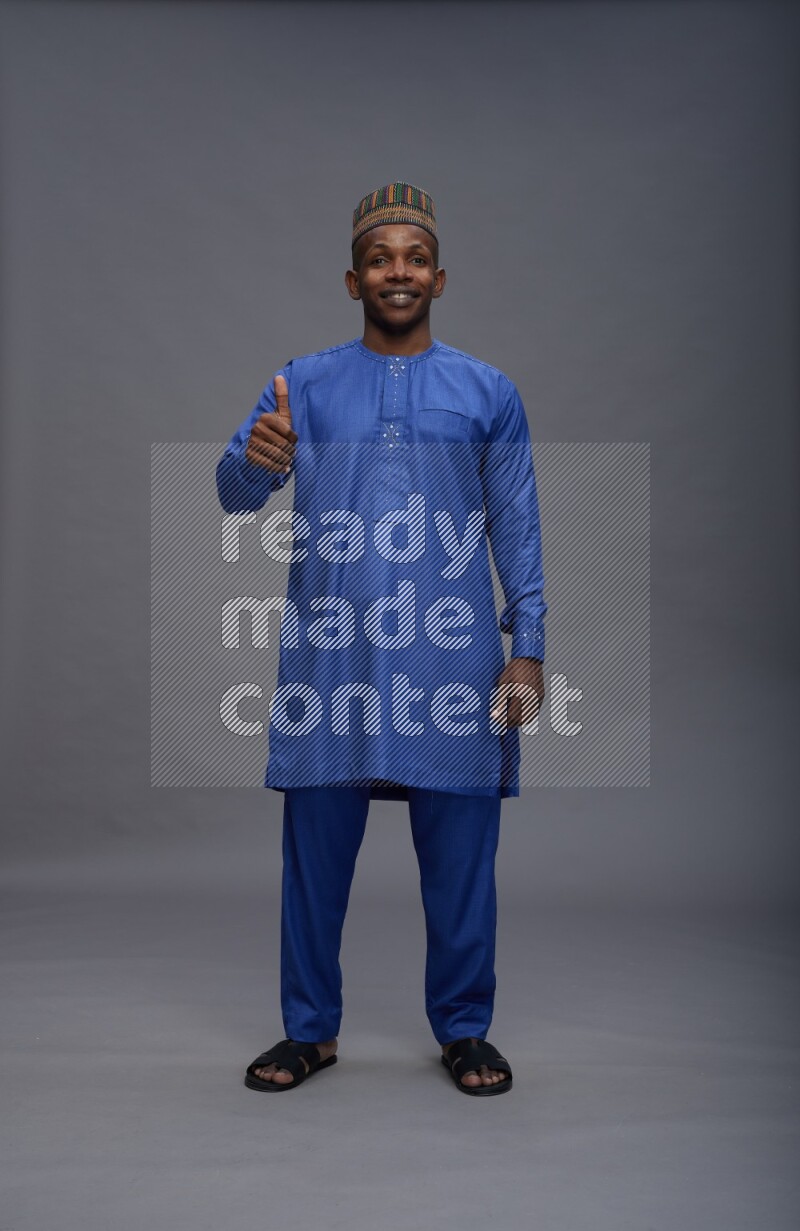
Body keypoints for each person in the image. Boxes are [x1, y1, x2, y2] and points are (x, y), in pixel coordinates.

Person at [216, 182, 547, 1096]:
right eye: (377, 258)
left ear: (438, 277)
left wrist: (529, 645)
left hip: (453, 661)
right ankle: (308, 1031)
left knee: (462, 862)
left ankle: (466, 1029)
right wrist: (254, 460)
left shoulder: (487, 392)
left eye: (411, 257)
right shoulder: (305, 383)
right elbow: (233, 494)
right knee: (314, 860)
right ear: (352, 278)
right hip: (337, 660)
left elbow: (516, 524)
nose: (394, 271)